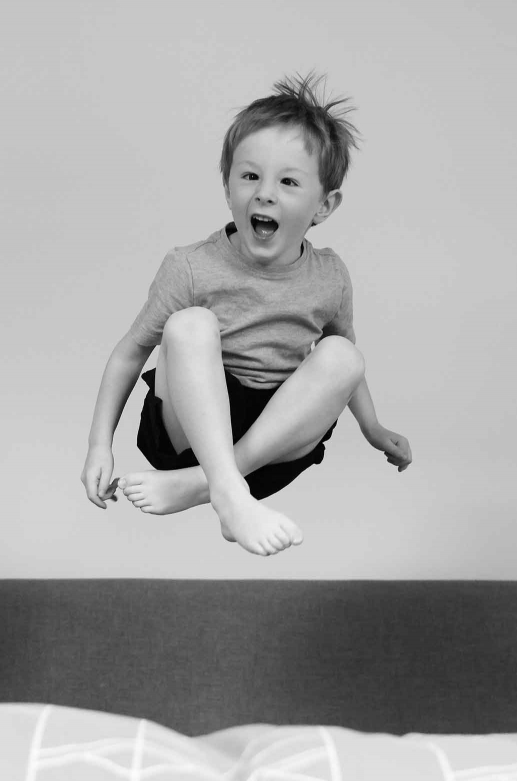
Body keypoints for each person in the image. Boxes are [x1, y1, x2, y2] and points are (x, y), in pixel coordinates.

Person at [80, 72, 412, 557]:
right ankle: (225, 488)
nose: (265, 194)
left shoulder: (331, 276)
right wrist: (98, 445)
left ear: (325, 205)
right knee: (189, 325)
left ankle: (210, 485)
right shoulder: (191, 266)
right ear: (228, 185)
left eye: (289, 182)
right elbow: (131, 353)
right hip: (189, 430)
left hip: (276, 442)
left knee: (343, 354)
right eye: (250, 176)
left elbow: (346, 375)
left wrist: (374, 429)